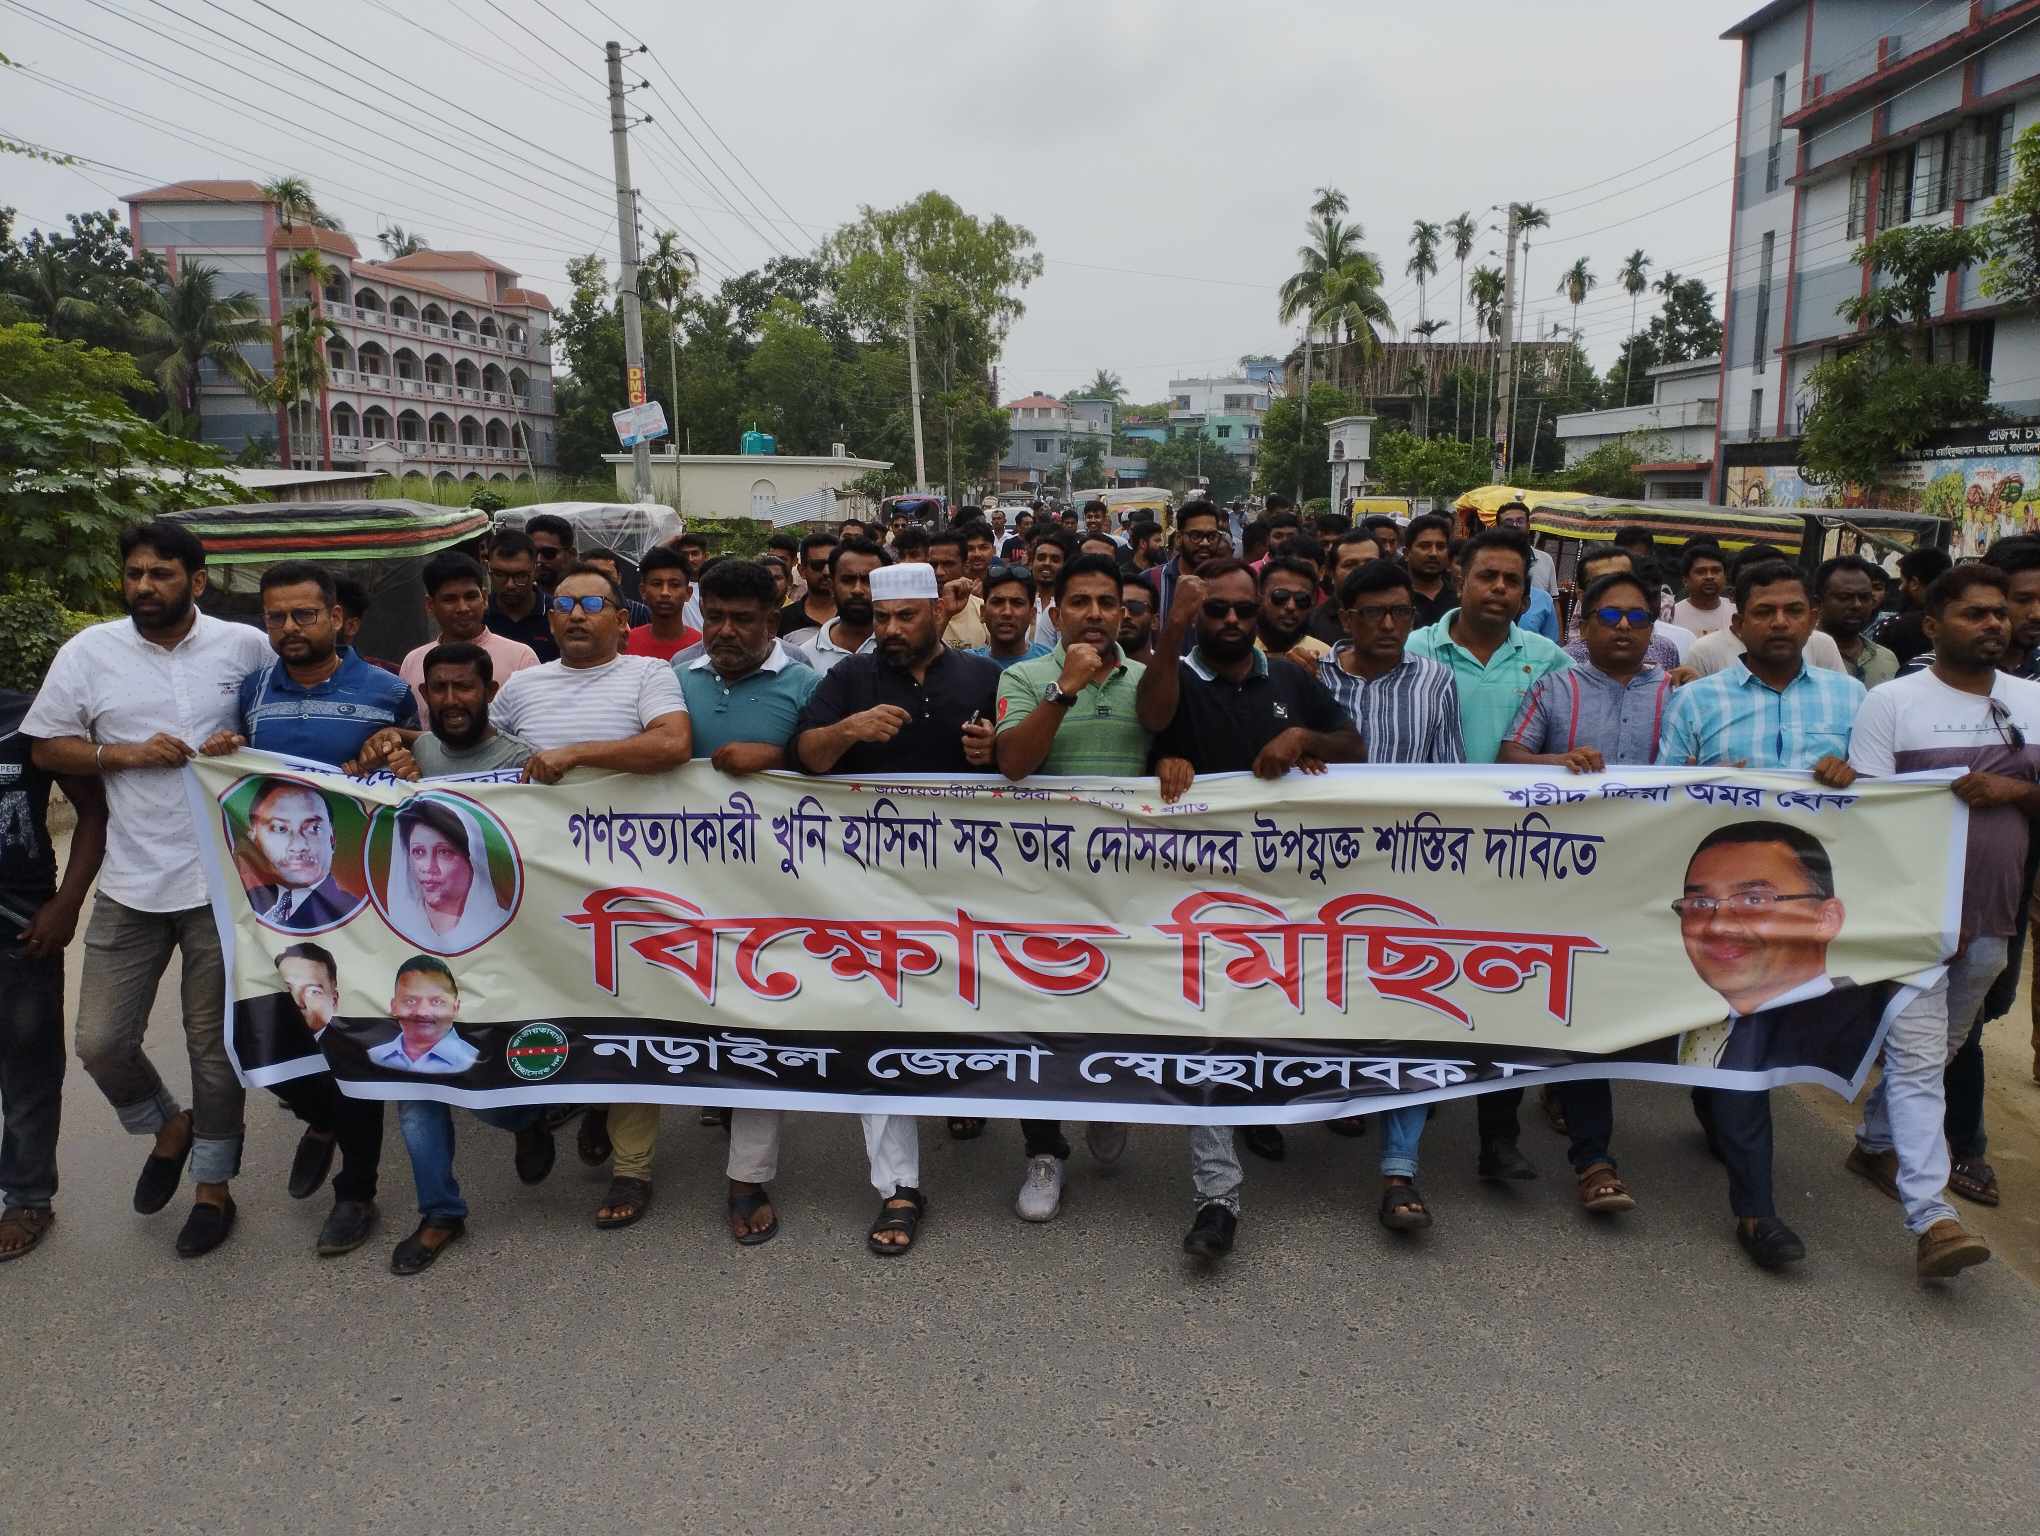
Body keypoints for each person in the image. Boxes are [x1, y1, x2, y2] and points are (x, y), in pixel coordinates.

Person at [23, 520, 271, 1257]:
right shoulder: (89, 652)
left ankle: (214, 1188)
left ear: (196, 580)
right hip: (132, 881)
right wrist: (121, 754)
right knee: (100, 1041)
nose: (143, 587)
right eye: (134, 574)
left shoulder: (244, 647)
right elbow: (45, 744)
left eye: (160, 574)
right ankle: (168, 1124)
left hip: (223, 880)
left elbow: (280, 730)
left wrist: (241, 745)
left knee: (211, 1047)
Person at [1138, 558, 1363, 1259]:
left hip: (1283, 894)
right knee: (1208, 1030)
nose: (1231, 622)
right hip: (1190, 896)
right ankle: (1217, 1198)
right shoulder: (1174, 668)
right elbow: (1151, 718)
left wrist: (1304, 740)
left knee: (1267, 1019)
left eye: (1243, 610)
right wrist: (1163, 761)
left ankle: (1264, 1107)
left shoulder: (1290, 677)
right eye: (1216, 612)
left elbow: (1352, 745)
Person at [1657, 559, 1864, 1272]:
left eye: (1794, 610)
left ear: (1813, 620)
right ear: (1736, 622)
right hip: (1725, 920)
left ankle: (1717, 1110)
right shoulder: (1697, 703)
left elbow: (1883, 803)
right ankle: (1756, 1213)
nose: (1780, 623)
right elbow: (1663, 803)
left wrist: (1855, 775)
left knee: (1767, 1050)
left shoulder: (1853, 702)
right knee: (1740, 1053)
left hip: (1808, 915)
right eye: (1765, 611)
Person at [793, 563, 999, 1256]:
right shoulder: (851, 677)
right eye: (882, 619)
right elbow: (810, 758)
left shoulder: (979, 676)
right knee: (878, 1020)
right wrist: (849, 728)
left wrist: (992, 752)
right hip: (870, 885)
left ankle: (962, 1100)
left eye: (905, 618)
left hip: (969, 883)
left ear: (939, 611)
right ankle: (899, 1185)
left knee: (967, 1006)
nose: (890, 631)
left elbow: (1027, 771)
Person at [1847, 563, 2037, 1277]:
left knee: (1946, 1046)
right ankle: (1933, 1218)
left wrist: (2012, 788)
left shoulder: (2033, 701)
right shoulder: (1893, 703)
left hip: (1994, 916)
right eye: (1975, 614)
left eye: (1999, 613)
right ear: (1932, 625)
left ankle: (1873, 1142)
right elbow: (1864, 814)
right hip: (1913, 914)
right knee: (1923, 1061)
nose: (1993, 624)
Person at [488, 562, 691, 1224]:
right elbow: (476, 760)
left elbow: (671, 745)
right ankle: (548, 1111)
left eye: (591, 603)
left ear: (620, 620)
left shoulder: (649, 675)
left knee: (627, 1013)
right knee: (538, 1006)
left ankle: (632, 1169)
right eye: (563, 604)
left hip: (626, 884)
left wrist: (578, 754)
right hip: (534, 885)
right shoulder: (520, 687)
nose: (575, 614)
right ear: (549, 620)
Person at [1501, 570, 1678, 1216]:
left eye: (1638, 617)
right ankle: (1594, 1159)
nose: (1625, 628)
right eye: (1611, 617)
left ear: (1654, 627)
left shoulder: (1683, 695)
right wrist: (1559, 762)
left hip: (1651, 882)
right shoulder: (1554, 687)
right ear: (1584, 626)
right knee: (1584, 1010)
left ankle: (1720, 1119)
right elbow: (1507, 757)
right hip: (1566, 882)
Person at [660, 558, 822, 1243]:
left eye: (744, 620)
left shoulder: (811, 685)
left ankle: (746, 1177)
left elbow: (834, 777)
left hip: (771, 894)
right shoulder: (669, 679)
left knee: (762, 1022)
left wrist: (778, 758)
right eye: (716, 616)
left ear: (774, 615)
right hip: (674, 889)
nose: (724, 632)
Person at [1405, 527, 1573, 1180]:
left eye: (1513, 581)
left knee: (1507, 992)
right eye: (1489, 577)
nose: (1501, 589)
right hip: (1423, 850)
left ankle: (1499, 1138)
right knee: (1419, 988)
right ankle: (1407, 1138)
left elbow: (1560, 744)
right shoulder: (1415, 648)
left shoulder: (1548, 659)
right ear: (1459, 578)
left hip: (1516, 857)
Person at [995, 553, 1148, 1222]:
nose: (1092, 614)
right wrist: (1064, 689)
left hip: (1129, 886)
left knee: (1120, 1010)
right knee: (1042, 1022)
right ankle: (1044, 1150)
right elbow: (1014, 764)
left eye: (1105, 603)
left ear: (1123, 613)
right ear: (1054, 614)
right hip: (1040, 884)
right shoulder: (1024, 677)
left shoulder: (1151, 681)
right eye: (1078, 602)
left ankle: (1109, 1103)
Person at [0, 687, 107, 1262]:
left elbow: (91, 809)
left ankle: (26, 1196)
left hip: (18, 923)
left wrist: (66, 904)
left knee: (28, 1063)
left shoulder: (31, 719)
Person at [378, 954, 556, 1275]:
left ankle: (524, 1119)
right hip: (407, 947)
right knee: (416, 1110)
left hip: (483, 965)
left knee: (485, 1099)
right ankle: (441, 1214)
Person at [224, 561, 420, 765]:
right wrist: (227, 745)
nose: (289, 627)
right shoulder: (253, 689)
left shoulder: (392, 690)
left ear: (336, 618)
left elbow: (423, 762)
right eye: (276, 617)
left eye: (304, 615)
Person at [363, 642, 534, 780]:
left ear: (490, 692)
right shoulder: (420, 749)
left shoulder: (520, 760)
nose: (451, 700)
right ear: (425, 694)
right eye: (439, 688)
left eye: (464, 687)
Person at [400, 551, 538, 717]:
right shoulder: (413, 661)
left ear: (485, 598)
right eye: (450, 599)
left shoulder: (520, 658)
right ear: (430, 605)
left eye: (471, 597)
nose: (463, 608)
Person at [383, 796, 513, 952]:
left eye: (444, 852)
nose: (429, 867)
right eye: (418, 852)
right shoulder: (392, 931)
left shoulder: (504, 929)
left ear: (472, 858)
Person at [237, 779, 361, 930]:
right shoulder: (245, 899)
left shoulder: (354, 914)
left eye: (314, 828)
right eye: (279, 828)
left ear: (332, 839)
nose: (298, 845)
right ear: (254, 839)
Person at [1562, 547, 1692, 664]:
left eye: (1624, 578)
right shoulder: (1566, 661)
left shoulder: (1664, 650)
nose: (1615, 587)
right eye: (1603, 582)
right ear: (1582, 595)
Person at [787, 538, 886, 674]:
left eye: (868, 580)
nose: (857, 589)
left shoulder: (900, 650)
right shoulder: (805, 658)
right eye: (847, 580)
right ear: (832, 586)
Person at [367, 956, 480, 1075]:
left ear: (455, 1008)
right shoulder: (373, 1057)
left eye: (436, 1001)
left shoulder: (475, 1059)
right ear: (394, 1006)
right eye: (410, 1001)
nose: (422, 1012)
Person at [1816, 556, 1899, 688]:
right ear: (1818, 602)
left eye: (1865, 597)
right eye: (1844, 597)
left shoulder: (1887, 659)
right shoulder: (1799, 656)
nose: (1857, 605)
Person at [1143, 501, 1231, 620]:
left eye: (1212, 536)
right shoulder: (1150, 581)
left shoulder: (1229, 583)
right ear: (1179, 539)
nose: (1205, 543)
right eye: (1195, 536)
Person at [485, 529, 557, 662]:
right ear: (488, 569)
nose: (510, 585)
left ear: (535, 570)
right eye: (500, 575)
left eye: (520, 576)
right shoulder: (479, 615)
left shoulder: (557, 614)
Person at [1875, 546, 1954, 665]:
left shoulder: (1893, 628)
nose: (1900, 588)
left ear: (1914, 583)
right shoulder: (1958, 622)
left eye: (1902, 581)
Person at [623, 545, 701, 661]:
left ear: (688, 593)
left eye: (674, 585)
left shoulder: (702, 648)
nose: (665, 592)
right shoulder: (624, 645)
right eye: (656, 584)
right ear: (643, 591)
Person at [1253, 556, 1333, 665]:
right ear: (1259, 596)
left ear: (1313, 602)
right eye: (1280, 596)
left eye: (1301, 599)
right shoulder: (1239, 651)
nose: (1291, 606)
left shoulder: (1324, 655)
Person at [1307, 530, 1382, 645]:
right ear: (1331, 572)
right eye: (1350, 565)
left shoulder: (1403, 615)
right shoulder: (1312, 624)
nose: (1362, 571)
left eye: (1370, 563)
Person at [971, 564, 1052, 671]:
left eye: (1017, 603)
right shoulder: (967, 664)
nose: (1007, 612)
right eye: (997, 602)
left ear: (1032, 615)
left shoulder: (1052, 662)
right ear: (983, 613)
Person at [930, 527, 988, 649]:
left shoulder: (981, 609)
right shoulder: (917, 612)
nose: (939, 572)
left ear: (965, 565)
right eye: (933, 565)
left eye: (948, 564)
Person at [778, 532, 839, 638]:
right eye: (817, 565)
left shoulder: (855, 615)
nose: (826, 571)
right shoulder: (782, 619)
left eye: (832, 564)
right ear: (802, 571)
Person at [1402, 514, 1457, 627]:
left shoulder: (1460, 600)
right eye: (1424, 546)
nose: (1433, 553)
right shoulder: (1396, 600)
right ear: (1406, 553)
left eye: (1440, 547)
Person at [1028, 528, 1078, 647]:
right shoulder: (1020, 602)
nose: (1047, 563)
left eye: (1055, 560)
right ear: (1031, 563)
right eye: (1041, 558)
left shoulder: (1070, 606)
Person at [1673, 544, 1734, 637]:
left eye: (1716, 571)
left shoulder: (1736, 613)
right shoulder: (1671, 616)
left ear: (1725, 577)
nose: (1709, 577)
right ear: (1685, 580)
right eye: (1700, 572)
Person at [1495, 506, 1557, 593]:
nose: (1515, 525)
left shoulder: (1545, 560)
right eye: (1509, 522)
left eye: (1520, 521)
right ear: (1498, 528)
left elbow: (1553, 601)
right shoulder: (1488, 559)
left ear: (1528, 526)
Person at [525, 512, 576, 597]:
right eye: (532, 552)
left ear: (571, 555)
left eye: (548, 553)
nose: (539, 560)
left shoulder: (591, 597)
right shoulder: (517, 600)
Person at [1118, 573, 1157, 664]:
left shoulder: (1179, 670)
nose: (1125, 615)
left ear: (1154, 621)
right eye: (1118, 608)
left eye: (1136, 607)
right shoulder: (1090, 671)